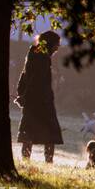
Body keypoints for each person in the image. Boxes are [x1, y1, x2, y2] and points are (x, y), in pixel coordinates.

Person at [14, 30, 64, 162]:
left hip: (35, 100)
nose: (57, 48)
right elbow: (34, 79)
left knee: (29, 132)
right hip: (41, 101)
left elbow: (25, 75)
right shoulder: (41, 56)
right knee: (50, 133)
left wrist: (22, 94)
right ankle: (48, 161)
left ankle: (27, 160)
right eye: (56, 45)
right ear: (50, 43)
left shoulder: (36, 53)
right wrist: (24, 96)